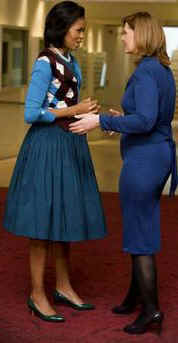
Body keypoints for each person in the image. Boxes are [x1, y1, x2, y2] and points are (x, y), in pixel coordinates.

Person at [69, 12, 177, 334]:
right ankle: (136, 297)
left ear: (141, 34)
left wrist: (101, 121)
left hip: (144, 161)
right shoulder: (161, 70)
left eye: (126, 32)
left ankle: (152, 311)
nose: (123, 37)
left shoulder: (145, 73)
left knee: (139, 235)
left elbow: (144, 121)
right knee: (139, 228)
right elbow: (149, 118)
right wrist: (121, 117)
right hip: (158, 156)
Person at [3, 1, 107, 323]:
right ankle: (37, 293)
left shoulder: (71, 61)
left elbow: (64, 102)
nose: (81, 36)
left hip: (69, 146)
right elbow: (31, 113)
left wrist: (90, 113)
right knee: (42, 223)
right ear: (62, 28)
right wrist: (72, 111)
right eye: (79, 30)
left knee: (64, 219)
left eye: (83, 31)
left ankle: (63, 286)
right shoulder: (44, 63)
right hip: (46, 148)